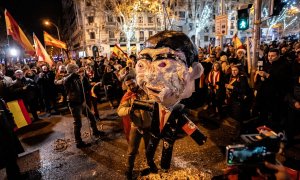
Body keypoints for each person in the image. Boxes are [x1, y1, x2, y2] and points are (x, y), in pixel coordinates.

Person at [136, 31, 205, 173]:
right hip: (155, 131)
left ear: (194, 72)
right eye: (143, 64)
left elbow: (187, 124)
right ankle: (151, 163)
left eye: (163, 63)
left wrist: (199, 138)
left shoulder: (177, 110)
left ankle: (165, 168)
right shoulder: (156, 103)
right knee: (150, 149)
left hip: (169, 135)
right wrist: (134, 105)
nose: (150, 76)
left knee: (166, 152)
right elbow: (147, 105)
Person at [117, 75, 152, 179]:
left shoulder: (146, 91)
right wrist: (129, 109)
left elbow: (156, 101)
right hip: (135, 127)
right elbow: (119, 110)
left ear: (136, 81)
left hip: (148, 126)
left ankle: (150, 166)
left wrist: (148, 104)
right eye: (129, 85)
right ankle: (129, 170)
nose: (131, 86)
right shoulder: (127, 96)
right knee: (131, 151)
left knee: (148, 149)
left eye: (133, 83)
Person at [63, 63, 105, 148]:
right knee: (78, 123)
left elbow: (86, 87)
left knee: (92, 117)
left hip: (82, 102)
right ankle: (78, 142)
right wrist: (74, 74)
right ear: (72, 70)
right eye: (76, 69)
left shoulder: (78, 78)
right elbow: (65, 81)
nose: (77, 70)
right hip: (74, 104)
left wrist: (91, 82)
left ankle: (95, 131)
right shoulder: (67, 78)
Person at [254, 48, 290, 131]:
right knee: (263, 114)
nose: (270, 58)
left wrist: (267, 76)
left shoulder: (284, 65)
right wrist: (259, 81)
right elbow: (261, 79)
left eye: (272, 56)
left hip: (275, 96)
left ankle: (274, 132)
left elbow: (282, 81)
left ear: (278, 56)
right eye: (269, 56)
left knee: (274, 117)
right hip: (264, 95)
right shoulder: (267, 64)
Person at [0, 97, 24, 179]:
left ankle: (16, 174)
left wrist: (12, 123)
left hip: (7, 130)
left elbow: (7, 112)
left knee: (12, 154)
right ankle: (14, 176)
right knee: (7, 156)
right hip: (2, 134)